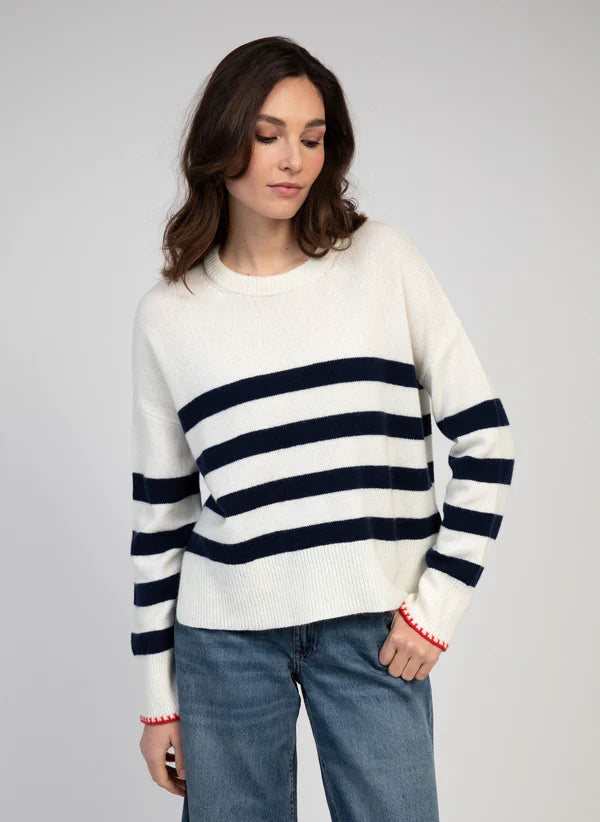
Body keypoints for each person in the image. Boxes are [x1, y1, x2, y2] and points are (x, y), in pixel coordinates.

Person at [129, 35, 516, 822]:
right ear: (222, 142)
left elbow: (488, 441)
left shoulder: (382, 262)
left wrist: (436, 609)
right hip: (224, 643)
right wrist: (157, 701)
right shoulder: (169, 317)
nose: (292, 160)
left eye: (312, 138)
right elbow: (162, 516)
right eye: (268, 135)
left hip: (373, 627)